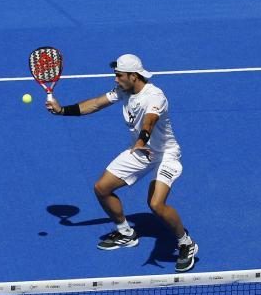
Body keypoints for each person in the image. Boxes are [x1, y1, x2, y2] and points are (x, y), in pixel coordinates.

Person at [45, 54, 197, 273]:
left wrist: (141, 140)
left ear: (133, 76)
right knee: (101, 188)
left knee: (155, 205)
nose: (116, 79)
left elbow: (150, 121)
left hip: (164, 154)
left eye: (119, 75)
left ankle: (185, 243)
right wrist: (62, 110)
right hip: (140, 151)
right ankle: (126, 233)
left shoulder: (155, 96)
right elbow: (95, 104)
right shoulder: (124, 91)